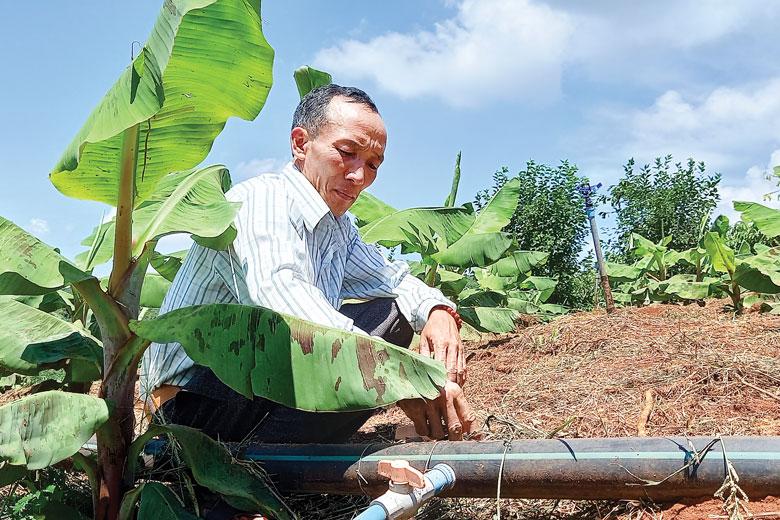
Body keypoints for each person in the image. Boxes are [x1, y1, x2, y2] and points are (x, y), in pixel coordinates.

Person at [140, 84, 475, 446]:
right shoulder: (260, 201)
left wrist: (439, 311)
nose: (360, 177)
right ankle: (234, 484)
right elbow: (288, 310)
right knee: (327, 351)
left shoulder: (338, 227)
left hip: (253, 385)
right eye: (347, 153)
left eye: (373, 164)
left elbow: (393, 278)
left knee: (391, 316)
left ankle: (278, 462)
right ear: (301, 144)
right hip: (192, 405)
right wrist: (403, 376)